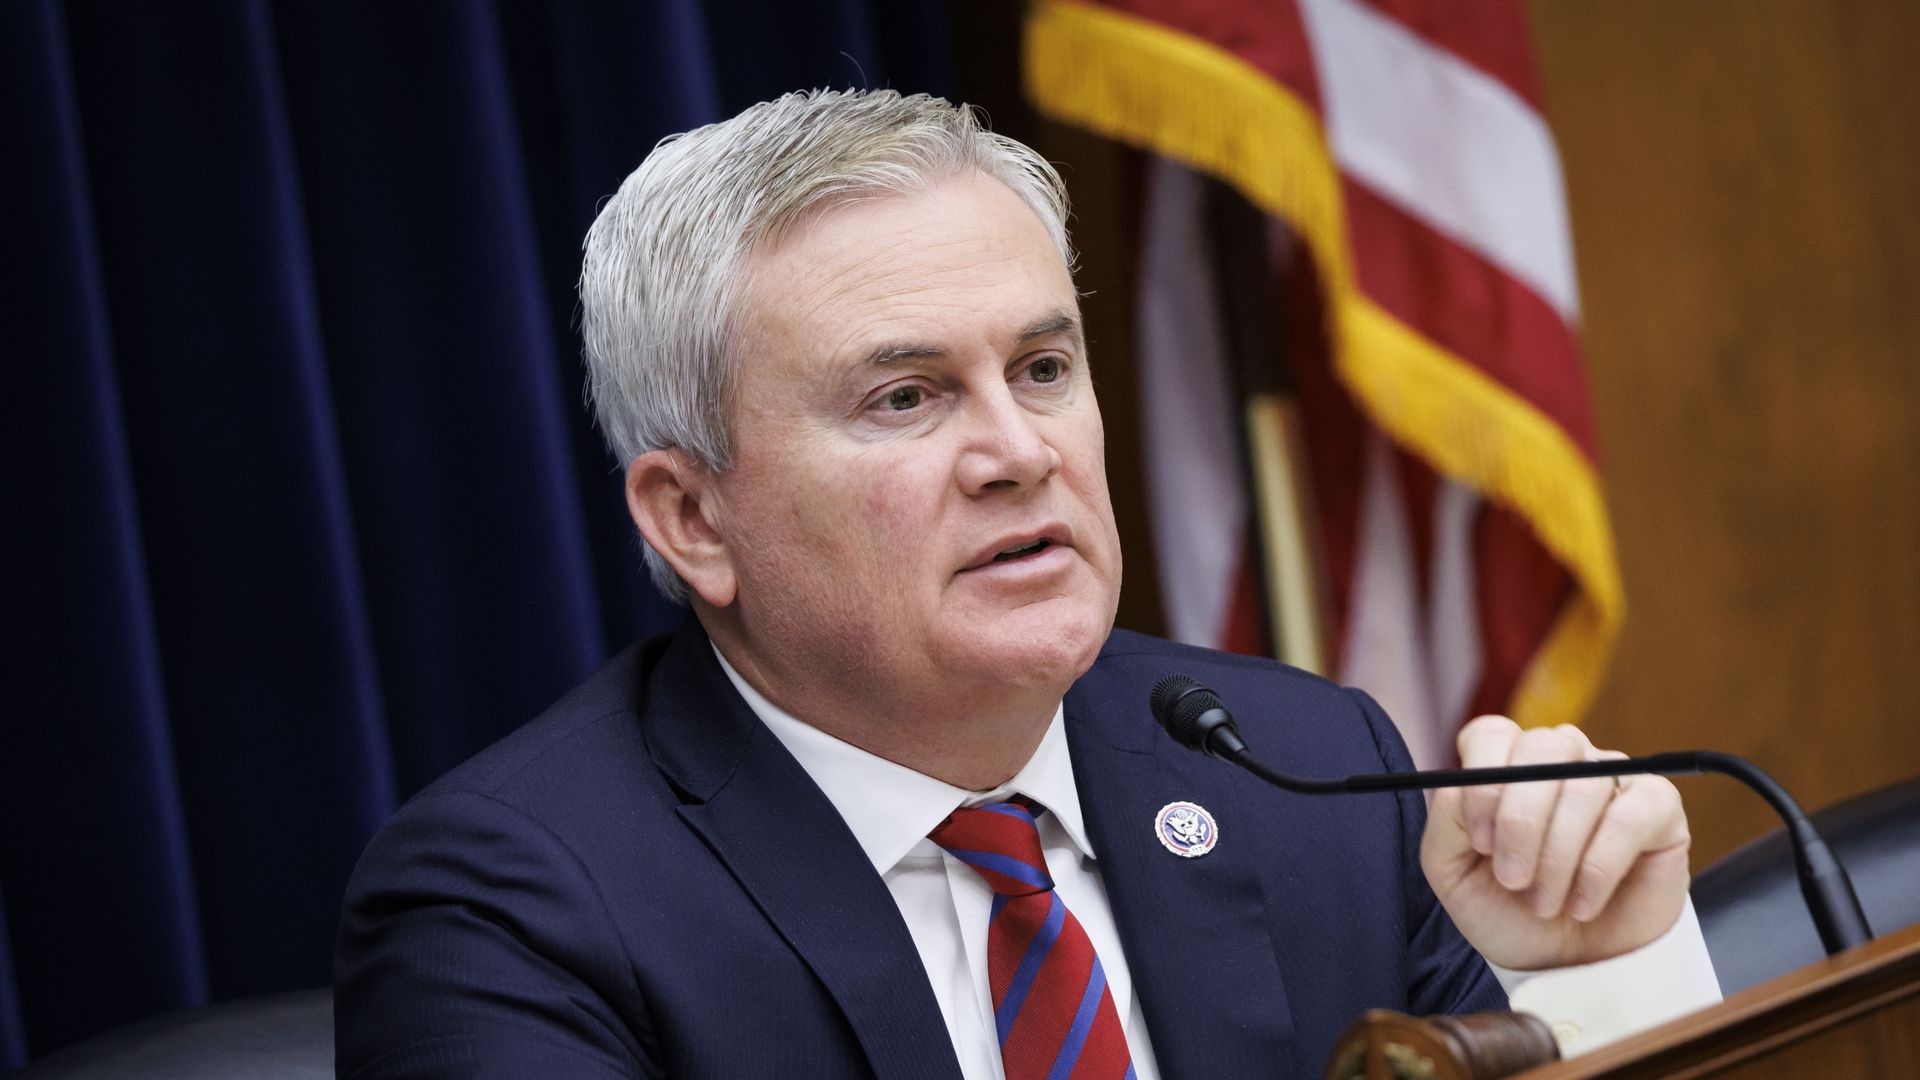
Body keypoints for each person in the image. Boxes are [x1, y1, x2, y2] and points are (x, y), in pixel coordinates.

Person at [334, 89, 1718, 1080]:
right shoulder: (515, 915)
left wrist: (1596, 980)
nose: (1018, 451)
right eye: (905, 396)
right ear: (695, 518)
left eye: (1045, 368)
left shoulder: (1302, 771)